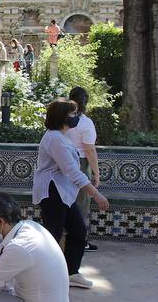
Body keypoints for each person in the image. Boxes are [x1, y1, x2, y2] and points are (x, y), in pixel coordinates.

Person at [34, 100, 109, 289]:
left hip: (62, 193)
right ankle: (42, 275)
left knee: (78, 231)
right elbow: (72, 171)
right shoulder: (55, 139)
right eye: (73, 114)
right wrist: (96, 195)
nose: (76, 117)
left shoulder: (61, 137)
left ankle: (71, 273)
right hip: (52, 192)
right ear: (62, 116)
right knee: (53, 235)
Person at [63, 86, 101, 251]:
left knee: (64, 201)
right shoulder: (86, 123)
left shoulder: (62, 119)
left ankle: (62, 240)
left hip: (61, 162)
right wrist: (96, 174)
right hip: (80, 164)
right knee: (81, 203)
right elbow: (89, 150)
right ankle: (79, 241)